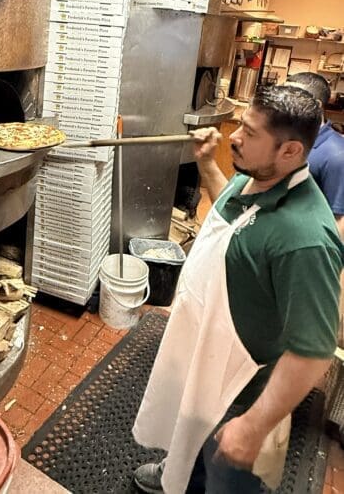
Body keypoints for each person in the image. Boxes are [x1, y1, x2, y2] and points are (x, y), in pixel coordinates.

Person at [133, 85, 343, 494]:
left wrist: (253, 425)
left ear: (290, 152)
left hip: (238, 388)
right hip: (203, 352)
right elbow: (230, 222)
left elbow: (314, 351)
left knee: (223, 477)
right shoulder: (257, 177)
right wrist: (208, 163)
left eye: (249, 132)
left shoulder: (306, 239)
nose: (234, 136)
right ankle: (176, 474)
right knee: (187, 429)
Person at [285, 71, 344, 239]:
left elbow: (340, 221)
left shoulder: (337, 154)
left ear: (317, 106)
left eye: (292, 98)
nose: (281, 104)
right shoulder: (286, 139)